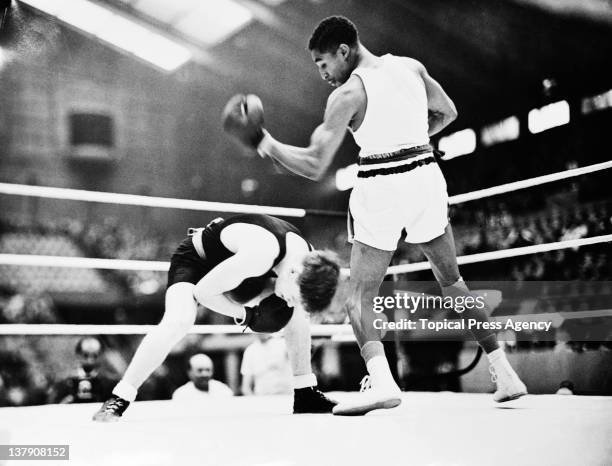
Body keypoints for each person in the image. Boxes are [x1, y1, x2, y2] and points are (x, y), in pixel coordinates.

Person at [223, 16, 527, 415]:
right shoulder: (411, 67)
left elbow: (314, 164)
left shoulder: (348, 95)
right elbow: (448, 112)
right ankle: (504, 373)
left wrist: (264, 140)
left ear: (343, 51)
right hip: (426, 177)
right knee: (453, 283)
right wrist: (411, 140)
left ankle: (381, 383)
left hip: (382, 187)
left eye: (322, 63)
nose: (323, 74)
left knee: (360, 297)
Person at [93, 214, 340, 421]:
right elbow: (203, 292)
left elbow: (292, 295)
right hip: (198, 263)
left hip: (249, 273)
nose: (287, 301)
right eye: (292, 295)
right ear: (294, 273)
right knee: (179, 320)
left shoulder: (307, 259)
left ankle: (305, 391)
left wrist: (292, 304)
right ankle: (120, 396)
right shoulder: (261, 253)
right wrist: (246, 316)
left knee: (296, 315)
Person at [49, 337, 116, 404]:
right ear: (78, 355)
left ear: (100, 355)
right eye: (86, 355)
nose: (90, 360)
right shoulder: (65, 383)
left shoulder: (109, 384)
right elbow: (52, 406)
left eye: (95, 355)